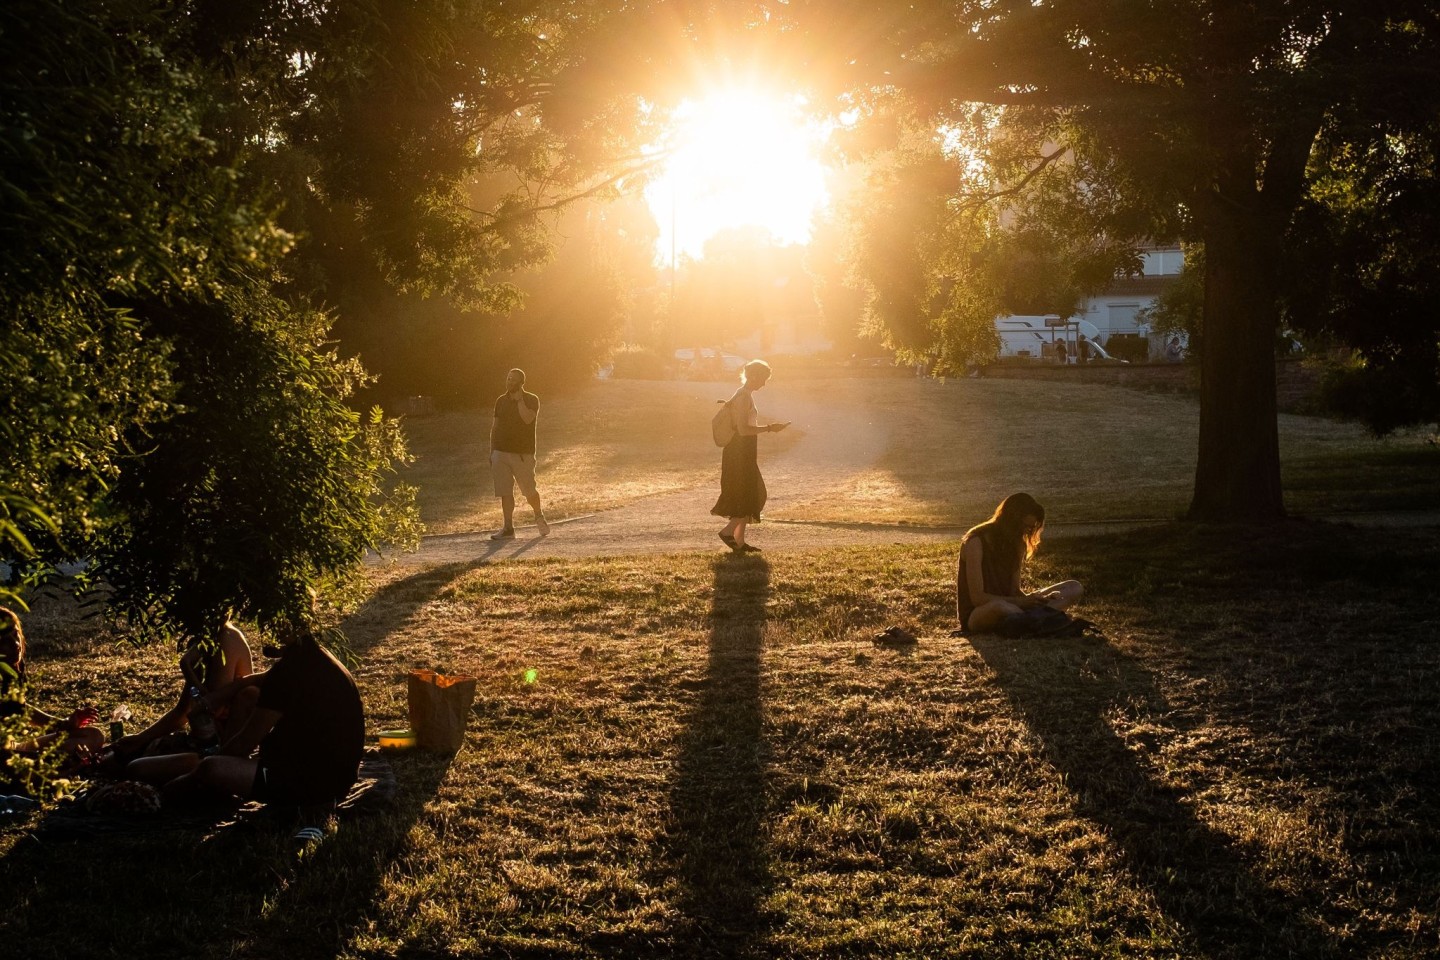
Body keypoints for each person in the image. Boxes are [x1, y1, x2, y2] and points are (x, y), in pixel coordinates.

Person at [157, 626, 365, 814]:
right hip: (337, 775)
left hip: (312, 787)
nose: (264, 633)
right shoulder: (312, 656)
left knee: (212, 769)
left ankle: (185, 788)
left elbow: (242, 745)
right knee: (248, 694)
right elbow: (257, 680)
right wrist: (217, 697)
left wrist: (191, 777)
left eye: (268, 626)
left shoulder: (288, 674)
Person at [111, 621, 253, 780]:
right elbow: (182, 712)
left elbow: (209, 710)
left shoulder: (227, 640)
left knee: (136, 768)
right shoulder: (205, 643)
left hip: (218, 751)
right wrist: (140, 738)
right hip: (201, 743)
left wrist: (187, 668)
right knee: (114, 758)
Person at [955, 493, 1083, 633]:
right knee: (1000, 606)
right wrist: (1023, 603)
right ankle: (1041, 619)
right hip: (979, 613)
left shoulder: (1018, 544)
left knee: (1073, 587)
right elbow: (978, 598)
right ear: (1010, 520)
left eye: (1030, 528)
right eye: (1024, 526)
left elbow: (1014, 591)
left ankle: (1032, 619)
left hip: (1013, 607)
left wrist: (1038, 600)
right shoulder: (975, 542)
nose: (1026, 532)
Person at [0, 605, 104, 768]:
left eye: (16, 635)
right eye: (5, 641)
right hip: (5, 758)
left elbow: (21, 708)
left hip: (15, 748)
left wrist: (65, 724)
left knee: (93, 735)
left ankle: (48, 765)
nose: (15, 644)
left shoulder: (13, 668)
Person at [713, 359, 789, 553]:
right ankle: (728, 532)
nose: (764, 384)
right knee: (751, 493)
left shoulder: (743, 394)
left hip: (742, 450)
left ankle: (739, 542)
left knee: (745, 493)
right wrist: (771, 428)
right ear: (754, 377)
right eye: (763, 379)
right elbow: (743, 429)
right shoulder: (744, 396)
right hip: (740, 450)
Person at [489, 367, 550, 540]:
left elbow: (527, 419)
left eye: (513, 379)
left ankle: (538, 515)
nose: (509, 382)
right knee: (505, 491)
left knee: (529, 490)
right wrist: (492, 452)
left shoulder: (531, 399)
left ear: (521, 383)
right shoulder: (500, 401)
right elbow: (495, 427)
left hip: (522, 454)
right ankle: (508, 528)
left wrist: (519, 401)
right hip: (500, 453)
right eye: (508, 378)